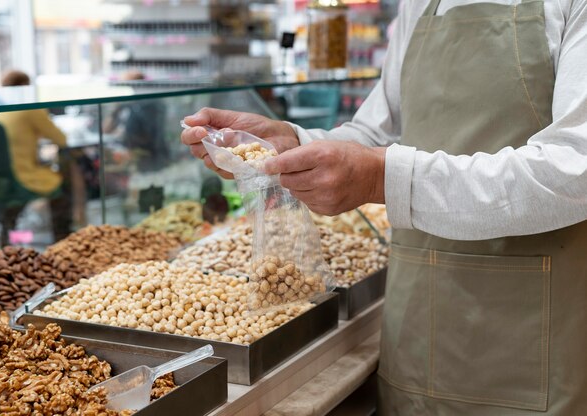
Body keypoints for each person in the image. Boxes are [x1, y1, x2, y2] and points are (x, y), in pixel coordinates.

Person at [182, 0, 587, 414]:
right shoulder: (421, 4)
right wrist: (293, 142)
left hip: (530, 333)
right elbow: (379, 129)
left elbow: (576, 169)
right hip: (418, 322)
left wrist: (380, 178)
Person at [0, 70, 71, 245]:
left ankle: (6, 239)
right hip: (24, 175)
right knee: (64, 183)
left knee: (14, 207)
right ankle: (63, 239)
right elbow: (61, 139)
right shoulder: (30, 109)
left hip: (0, 178)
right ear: (26, 88)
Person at [103, 71, 171, 172]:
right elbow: (105, 130)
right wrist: (116, 109)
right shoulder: (124, 106)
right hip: (125, 154)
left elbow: (147, 137)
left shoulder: (148, 106)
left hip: (146, 159)